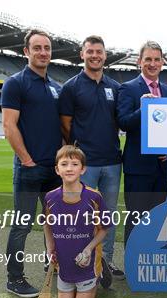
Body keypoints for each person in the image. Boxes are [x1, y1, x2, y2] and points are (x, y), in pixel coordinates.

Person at [1, 29, 62, 298]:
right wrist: (27, 160)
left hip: (54, 170)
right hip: (29, 169)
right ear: (26, 51)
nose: (43, 52)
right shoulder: (15, 83)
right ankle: (14, 279)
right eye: (37, 47)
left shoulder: (56, 87)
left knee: (55, 223)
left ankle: (53, 266)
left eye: (47, 48)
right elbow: (8, 125)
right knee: (22, 225)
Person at [59, 35, 125, 280]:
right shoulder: (71, 87)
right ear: (82, 54)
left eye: (99, 51)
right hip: (85, 166)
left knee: (107, 215)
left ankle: (105, 262)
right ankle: (78, 259)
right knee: (80, 216)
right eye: (90, 52)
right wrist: (80, 151)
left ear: (105, 55)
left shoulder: (115, 88)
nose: (95, 55)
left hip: (112, 162)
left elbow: (121, 119)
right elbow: (65, 124)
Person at [116, 41, 167, 246]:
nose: (152, 63)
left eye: (156, 59)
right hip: (138, 167)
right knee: (136, 218)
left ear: (162, 62)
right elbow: (123, 122)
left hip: (161, 167)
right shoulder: (128, 88)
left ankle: (150, 265)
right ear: (139, 61)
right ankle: (133, 269)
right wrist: (144, 108)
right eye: (148, 59)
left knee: (157, 218)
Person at [44, 145, 112, 298]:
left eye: (75, 164)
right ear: (57, 169)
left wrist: (89, 250)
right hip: (64, 263)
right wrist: (50, 247)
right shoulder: (50, 197)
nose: (69, 168)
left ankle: (99, 270)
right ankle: (73, 284)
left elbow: (104, 228)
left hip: (87, 262)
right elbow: (47, 224)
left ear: (83, 169)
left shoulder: (94, 197)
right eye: (64, 164)